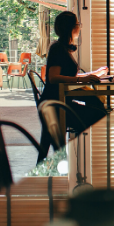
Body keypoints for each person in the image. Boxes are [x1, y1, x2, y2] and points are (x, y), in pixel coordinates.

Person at [39, 11, 105, 161]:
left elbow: (68, 77)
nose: (80, 28)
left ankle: (84, 154)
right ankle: (85, 155)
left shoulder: (63, 47)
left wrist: (91, 74)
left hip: (59, 103)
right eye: (78, 24)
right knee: (99, 115)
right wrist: (82, 80)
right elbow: (53, 78)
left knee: (96, 107)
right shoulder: (57, 49)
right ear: (71, 28)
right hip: (55, 107)